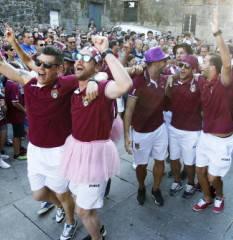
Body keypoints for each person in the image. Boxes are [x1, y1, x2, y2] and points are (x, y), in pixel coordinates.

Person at [0, 14, 102, 240]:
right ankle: (64, 207)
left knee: (63, 193)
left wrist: (92, 80)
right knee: (38, 194)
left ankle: (71, 222)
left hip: (58, 151)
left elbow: (100, 74)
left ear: (59, 69)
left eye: (46, 65)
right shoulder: (29, 80)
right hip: (34, 149)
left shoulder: (67, 83)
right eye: (39, 63)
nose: (40, 68)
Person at [60, 38, 132, 240]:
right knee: (80, 202)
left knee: (82, 211)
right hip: (76, 151)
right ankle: (99, 230)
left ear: (97, 65)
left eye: (87, 58)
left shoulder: (102, 88)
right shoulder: (74, 85)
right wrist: (94, 77)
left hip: (95, 155)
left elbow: (125, 83)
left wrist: (106, 51)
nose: (79, 61)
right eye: (78, 57)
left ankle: (97, 238)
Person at [192, 9, 233, 214]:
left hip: (222, 140)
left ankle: (219, 196)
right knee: (200, 172)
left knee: (214, 177)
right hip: (205, 136)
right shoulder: (202, 80)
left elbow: (227, 62)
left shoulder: (224, 82)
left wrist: (217, 33)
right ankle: (206, 197)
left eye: (205, 62)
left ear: (214, 67)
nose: (201, 63)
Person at [124, 46, 168, 206]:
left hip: (159, 128)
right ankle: (141, 187)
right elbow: (128, 110)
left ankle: (156, 189)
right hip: (141, 132)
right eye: (163, 60)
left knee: (160, 161)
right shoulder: (138, 80)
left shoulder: (163, 78)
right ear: (156, 62)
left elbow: (176, 75)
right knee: (141, 165)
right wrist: (127, 135)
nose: (166, 62)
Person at [165, 55, 201, 199]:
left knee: (189, 162)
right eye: (181, 65)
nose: (183, 69)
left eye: (187, 66)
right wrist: (170, 79)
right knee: (174, 159)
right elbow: (167, 96)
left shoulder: (199, 83)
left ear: (193, 69)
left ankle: (191, 183)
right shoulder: (173, 81)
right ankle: (177, 181)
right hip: (174, 128)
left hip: (192, 131)